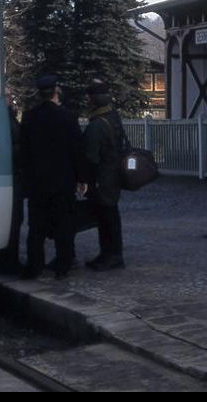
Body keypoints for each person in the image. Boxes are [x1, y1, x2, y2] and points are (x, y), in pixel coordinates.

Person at [19, 74, 83, 279]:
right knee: (64, 225)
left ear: (40, 94)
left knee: (36, 227)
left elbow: (24, 151)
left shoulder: (30, 117)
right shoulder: (67, 117)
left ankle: (34, 266)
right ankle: (63, 266)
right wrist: (81, 178)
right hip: (63, 182)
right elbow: (77, 150)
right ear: (56, 92)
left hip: (38, 182)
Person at [79, 79, 126, 271]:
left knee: (106, 218)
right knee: (110, 216)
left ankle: (111, 255)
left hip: (102, 179)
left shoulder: (97, 124)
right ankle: (110, 254)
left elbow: (91, 157)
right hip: (113, 176)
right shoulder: (113, 117)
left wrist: (85, 180)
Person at [0, 94, 24, 275]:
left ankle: (7, 260)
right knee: (13, 218)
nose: (12, 99)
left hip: (13, 174)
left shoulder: (5, 116)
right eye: (9, 96)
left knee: (14, 218)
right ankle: (8, 261)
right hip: (12, 174)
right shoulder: (5, 118)